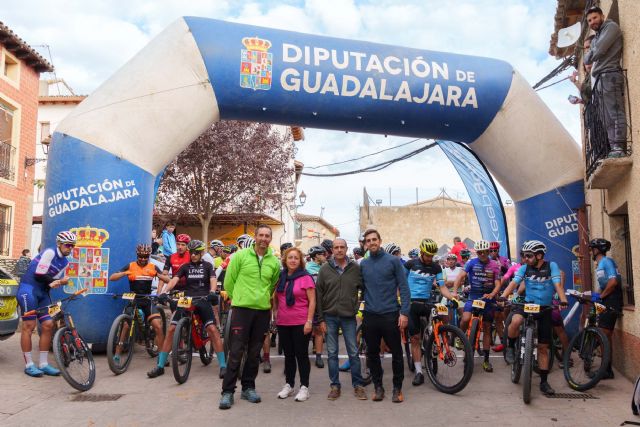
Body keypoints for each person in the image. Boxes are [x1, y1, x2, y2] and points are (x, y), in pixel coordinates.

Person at [219, 225, 281, 410]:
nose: (263, 238)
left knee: (254, 353)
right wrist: (237, 297)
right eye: (260, 235)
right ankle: (227, 392)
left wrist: (262, 299)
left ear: (270, 239)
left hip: (262, 311)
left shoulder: (274, 262)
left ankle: (248, 388)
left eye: (267, 236)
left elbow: (272, 285)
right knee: (236, 351)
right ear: (255, 237)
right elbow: (229, 280)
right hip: (241, 309)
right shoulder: (240, 256)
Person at [150, 240, 225, 378]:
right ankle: (160, 366)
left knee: (213, 330)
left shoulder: (208, 266)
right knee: (172, 329)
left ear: (202, 253)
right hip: (187, 299)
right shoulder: (185, 266)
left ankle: (223, 366)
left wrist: (213, 292)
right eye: (192, 253)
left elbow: (213, 280)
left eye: (196, 253)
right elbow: (174, 280)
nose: (194, 255)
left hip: (203, 299)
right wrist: (164, 292)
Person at [501, 240, 568, 395]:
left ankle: (544, 382)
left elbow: (558, 285)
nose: (525, 259)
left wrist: (563, 299)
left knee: (543, 348)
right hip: (527, 304)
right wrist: (503, 296)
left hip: (544, 308)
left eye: (528, 256)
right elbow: (514, 283)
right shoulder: (525, 268)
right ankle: (511, 347)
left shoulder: (552, 266)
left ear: (539, 255)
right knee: (515, 321)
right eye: (524, 256)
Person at [360, 228, 410, 403]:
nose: (372, 242)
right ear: (365, 244)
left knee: (397, 353)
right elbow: (361, 288)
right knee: (372, 354)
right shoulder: (363, 264)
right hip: (370, 316)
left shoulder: (393, 261)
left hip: (390, 314)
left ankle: (397, 388)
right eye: (368, 240)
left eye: (374, 239)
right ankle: (378, 387)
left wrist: (404, 312)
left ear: (380, 241)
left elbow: (404, 287)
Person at [17, 231, 75, 377]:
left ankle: (43, 364)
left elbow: (50, 282)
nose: (70, 248)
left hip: (43, 293)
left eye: (72, 246)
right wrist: (57, 281)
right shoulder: (50, 252)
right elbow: (39, 274)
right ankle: (29, 365)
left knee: (48, 325)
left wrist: (58, 283)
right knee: (28, 327)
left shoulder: (65, 262)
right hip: (28, 290)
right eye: (68, 245)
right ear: (59, 244)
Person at [316, 238, 368, 401]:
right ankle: (335, 386)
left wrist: (358, 307)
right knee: (332, 353)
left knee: (353, 352)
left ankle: (358, 385)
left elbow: (364, 289)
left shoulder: (355, 269)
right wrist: (320, 319)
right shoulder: (325, 269)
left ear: (346, 249)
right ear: (332, 250)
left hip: (348, 317)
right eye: (336, 247)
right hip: (329, 316)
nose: (339, 250)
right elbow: (318, 295)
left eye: (342, 247)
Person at [405, 239, 457, 386]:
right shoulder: (410, 264)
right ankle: (419, 372)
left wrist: (452, 298)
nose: (429, 258)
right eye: (427, 255)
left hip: (427, 302)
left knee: (443, 313)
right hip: (411, 303)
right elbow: (400, 282)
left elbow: (442, 287)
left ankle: (438, 337)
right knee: (415, 338)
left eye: (431, 255)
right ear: (421, 252)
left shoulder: (436, 267)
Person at [109, 244, 170, 365]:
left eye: (145, 256)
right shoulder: (131, 265)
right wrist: (125, 272)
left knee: (157, 325)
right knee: (126, 326)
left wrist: (159, 275)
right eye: (140, 256)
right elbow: (112, 277)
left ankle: (163, 357)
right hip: (134, 299)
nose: (143, 259)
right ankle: (116, 355)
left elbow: (168, 280)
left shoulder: (153, 266)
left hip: (147, 300)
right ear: (137, 255)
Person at [583, 6, 627, 158]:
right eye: (589, 20)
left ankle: (619, 147)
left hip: (610, 74)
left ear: (602, 16)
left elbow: (598, 51)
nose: (592, 22)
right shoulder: (597, 36)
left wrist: (590, 54)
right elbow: (593, 51)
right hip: (600, 78)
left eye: (594, 18)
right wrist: (591, 51)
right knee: (606, 118)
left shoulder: (611, 27)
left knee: (615, 113)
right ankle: (614, 147)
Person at [453, 240, 501, 373]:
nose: (483, 254)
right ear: (477, 252)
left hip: (487, 298)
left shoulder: (494, 265)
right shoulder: (471, 263)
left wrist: (492, 294)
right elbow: (460, 277)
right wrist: (455, 292)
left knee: (486, 328)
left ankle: (486, 360)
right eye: (480, 252)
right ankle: (460, 337)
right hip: (473, 296)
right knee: (465, 318)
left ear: (488, 252)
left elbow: (498, 283)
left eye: (485, 252)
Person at [275, 247, 316, 402]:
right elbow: (276, 297)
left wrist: (309, 321)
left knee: (302, 355)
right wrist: (274, 313)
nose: (293, 260)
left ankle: (304, 387)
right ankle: (289, 385)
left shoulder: (306, 277)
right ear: (285, 260)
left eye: (296, 258)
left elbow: (313, 301)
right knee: (288, 356)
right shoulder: (281, 276)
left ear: (300, 261)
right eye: (290, 257)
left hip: (301, 322)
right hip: (283, 322)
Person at [589, 238, 623, 379]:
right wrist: (596, 295)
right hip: (606, 299)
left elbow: (613, 281)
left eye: (592, 249)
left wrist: (601, 296)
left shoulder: (607, 262)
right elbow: (603, 284)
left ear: (597, 250)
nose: (591, 251)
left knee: (604, 335)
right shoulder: (600, 264)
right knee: (604, 335)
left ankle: (606, 370)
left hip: (611, 300)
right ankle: (606, 368)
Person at [306, 245, 327, 368]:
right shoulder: (307, 269)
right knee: (306, 331)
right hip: (308, 304)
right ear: (316, 256)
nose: (325, 256)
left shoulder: (325, 268)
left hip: (320, 304)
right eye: (322, 254)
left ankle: (318, 356)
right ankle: (303, 355)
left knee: (319, 330)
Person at [569, 35, 595, 104]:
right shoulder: (588, 76)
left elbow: (589, 91)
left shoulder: (595, 72)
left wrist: (575, 81)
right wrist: (580, 101)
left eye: (588, 47)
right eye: (586, 63)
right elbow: (589, 99)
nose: (588, 66)